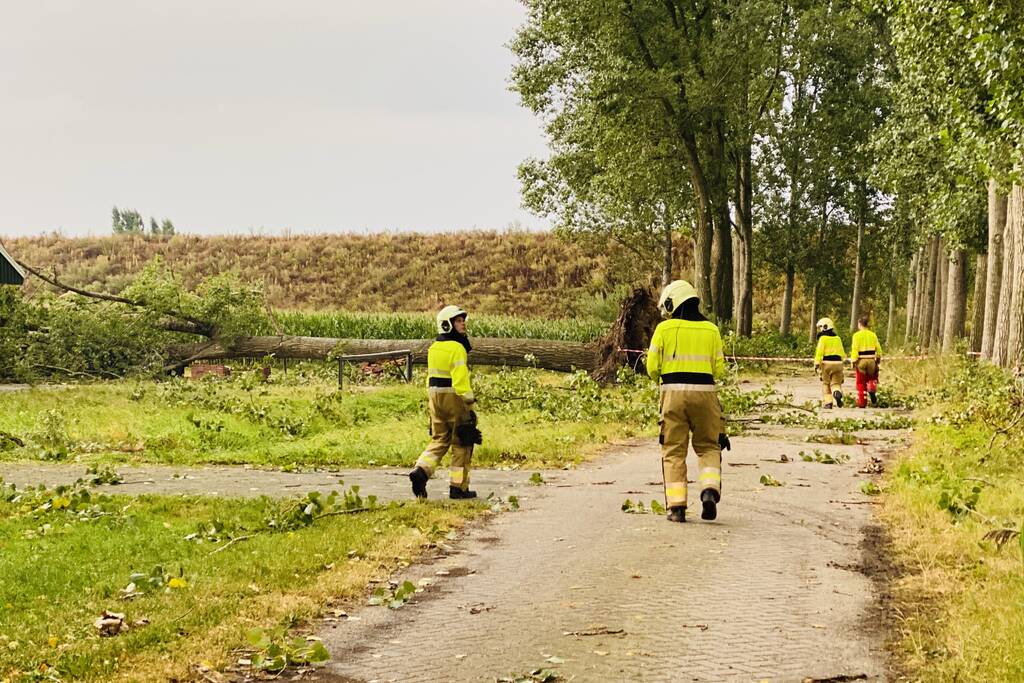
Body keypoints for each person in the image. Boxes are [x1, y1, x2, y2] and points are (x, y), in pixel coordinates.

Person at [646, 280, 728, 524]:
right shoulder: (712, 330)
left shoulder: (663, 329)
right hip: (705, 395)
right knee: (709, 446)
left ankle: (677, 507)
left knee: (673, 451)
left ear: (673, 302)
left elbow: (652, 367)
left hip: (672, 396)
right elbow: (719, 370)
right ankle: (709, 490)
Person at [408, 305, 479, 500]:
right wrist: (469, 401)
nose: (463, 323)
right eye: (458, 320)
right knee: (462, 442)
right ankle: (458, 487)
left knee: (439, 439)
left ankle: (421, 471)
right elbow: (460, 378)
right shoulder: (457, 347)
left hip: (434, 398)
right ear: (447, 325)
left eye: (463, 320)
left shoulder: (434, 347)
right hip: (454, 398)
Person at [849, 314, 882, 408]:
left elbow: (855, 349)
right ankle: (871, 386)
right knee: (872, 377)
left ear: (860, 324)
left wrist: (853, 361)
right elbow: (878, 349)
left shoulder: (856, 336)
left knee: (860, 382)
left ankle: (862, 402)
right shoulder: (873, 335)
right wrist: (878, 358)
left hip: (861, 361)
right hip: (871, 360)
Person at [814, 317, 847, 409]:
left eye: (821, 327)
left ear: (824, 327)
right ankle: (837, 392)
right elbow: (842, 353)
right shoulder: (838, 338)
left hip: (826, 364)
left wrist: (817, 364)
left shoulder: (823, 339)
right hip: (838, 363)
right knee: (836, 383)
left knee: (826, 384)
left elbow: (819, 353)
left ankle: (828, 403)